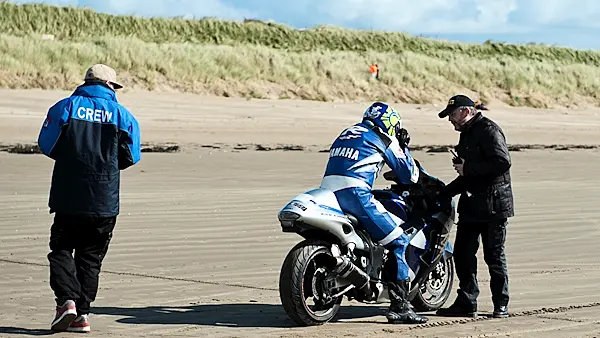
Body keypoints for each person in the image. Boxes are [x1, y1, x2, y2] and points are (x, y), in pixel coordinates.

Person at [37, 64, 141, 332]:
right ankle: (81, 313)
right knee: (90, 258)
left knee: (61, 250)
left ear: (86, 82)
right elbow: (131, 156)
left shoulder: (65, 107)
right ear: (110, 86)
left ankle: (68, 302)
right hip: (104, 200)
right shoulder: (123, 115)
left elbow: (47, 145)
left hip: (69, 196)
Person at [320, 102, 427, 324]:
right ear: (389, 123)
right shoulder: (383, 137)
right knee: (399, 242)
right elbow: (407, 175)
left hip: (328, 192)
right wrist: (402, 145)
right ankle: (400, 307)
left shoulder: (347, 133)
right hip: (356, 194)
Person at [435, 94, 514, 319]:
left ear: (465, 111)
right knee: (462, 254)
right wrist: (444, 192)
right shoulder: (466, 134)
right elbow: (467, 175)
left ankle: (501, 304)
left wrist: (468, 167)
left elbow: (502, 162)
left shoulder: (489, 130)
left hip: (494, 205)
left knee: (493, 256)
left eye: (452, 115)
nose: (450, 120)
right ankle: (467, 301)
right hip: (471, 204)